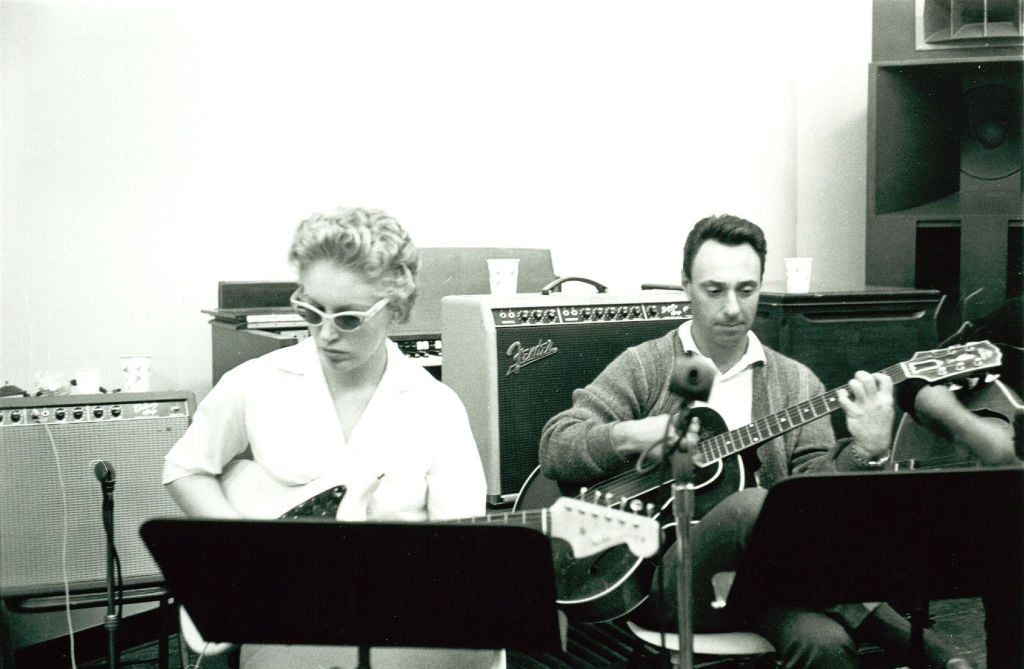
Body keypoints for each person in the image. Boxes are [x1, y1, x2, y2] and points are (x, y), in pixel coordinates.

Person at [538, 214, 970, 668]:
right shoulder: (645, 366)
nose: (732, 308)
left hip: (772, 580)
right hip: (664, 580)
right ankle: (928, 650)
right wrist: (634, 433)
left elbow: (821, 509)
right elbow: (557, 447)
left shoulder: (795, 382)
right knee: (753, 504)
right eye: (714, 290)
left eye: (746, 290)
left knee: (823, 642)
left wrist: (867, 452)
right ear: (686, 285)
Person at [163, 207, 499, 669]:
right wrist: (240, 549)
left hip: (397, 625)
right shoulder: (255, 382)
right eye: (310, 310)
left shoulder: (436, 406)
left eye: (348, 319)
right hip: (285, 625)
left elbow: (461, 553)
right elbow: (186, 468)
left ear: (396, 310)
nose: (324, 334)